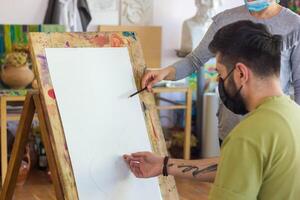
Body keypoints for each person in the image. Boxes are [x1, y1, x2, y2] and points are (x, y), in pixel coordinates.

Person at [124, 20, 300, 199]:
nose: (219, 81)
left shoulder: (248, 135)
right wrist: (163, 164)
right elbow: (235, 165)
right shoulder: (293, 114)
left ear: (241, 73)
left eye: (220, 73)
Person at [142, 0, 300, 144]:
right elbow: (195, 60)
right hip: (231, 128)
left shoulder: (295, 26)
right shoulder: (225, 20)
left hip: (273, 132)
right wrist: (164, 73)